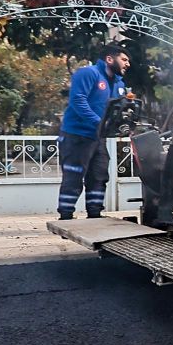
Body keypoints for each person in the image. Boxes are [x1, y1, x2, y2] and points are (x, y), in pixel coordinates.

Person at [57, 41, 130, 219]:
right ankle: (66, 215)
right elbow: (78, 101)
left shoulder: (119, 84)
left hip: (98, 137)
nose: (128, 64)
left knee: (99, 175)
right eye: (124, 59)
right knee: (73, 177)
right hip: (77, 136)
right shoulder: (88, 73)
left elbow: (117, 109)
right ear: (109, 59)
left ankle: (95, 214)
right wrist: (99, 122)